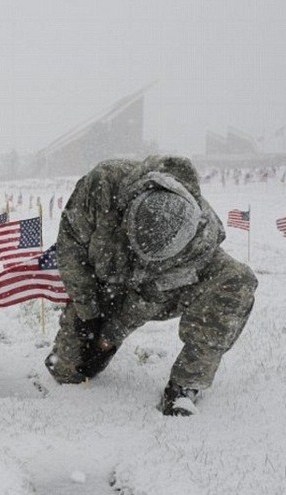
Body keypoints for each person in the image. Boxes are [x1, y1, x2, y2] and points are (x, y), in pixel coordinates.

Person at [44, 155, 257, 416]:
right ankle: (80, 348)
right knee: (68, 370)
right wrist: (88, 314)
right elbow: (70, 248)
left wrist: (109, 337)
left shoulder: (198, 242)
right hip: (104, 280)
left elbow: (148, 297)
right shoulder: (104, 184)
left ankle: (186, 385)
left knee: (237, 280)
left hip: (149, 292)